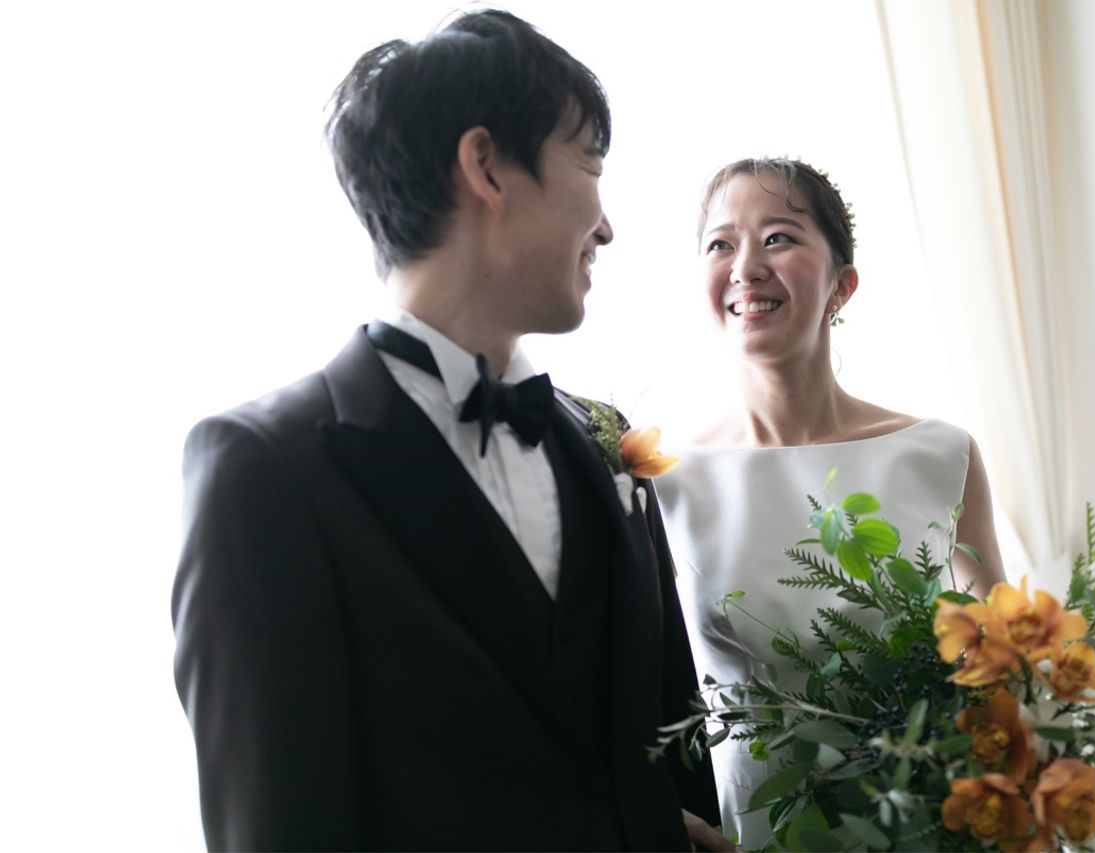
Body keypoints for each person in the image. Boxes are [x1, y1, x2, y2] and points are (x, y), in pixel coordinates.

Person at [171, 10, 721, 850]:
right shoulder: (265, 469)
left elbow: (654, 751)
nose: (608, 227)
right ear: (486, 166)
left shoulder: (602, 438)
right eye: (590, 164)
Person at [654, 157, 1007, 848]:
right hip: (756, 831)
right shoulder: (666, 478)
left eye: (777, 238)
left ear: (841, 285)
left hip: (925, 825)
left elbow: (1003, 668)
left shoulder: (940, 455)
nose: (746, 266)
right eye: (721, 243)